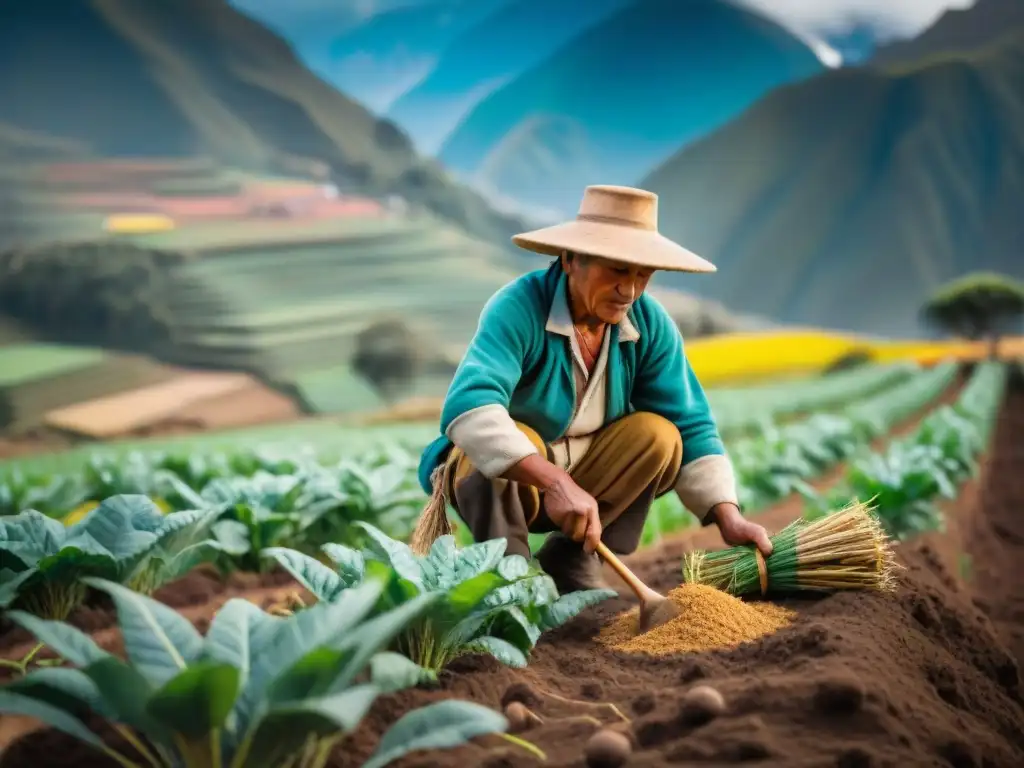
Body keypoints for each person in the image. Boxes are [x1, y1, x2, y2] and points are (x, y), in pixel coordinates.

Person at [410, 185, 772, 594]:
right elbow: (470, 406)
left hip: (589, 483)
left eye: (642, 274)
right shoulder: (518, 308)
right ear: (570, 259)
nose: (630, 290)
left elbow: (690, 424)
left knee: (660, 435)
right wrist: (555, 483)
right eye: (617, 269)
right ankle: (506, 574)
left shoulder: (649, 324)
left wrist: (728, 517)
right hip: (516, 481)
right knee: (495, 446)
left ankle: (571, 557)